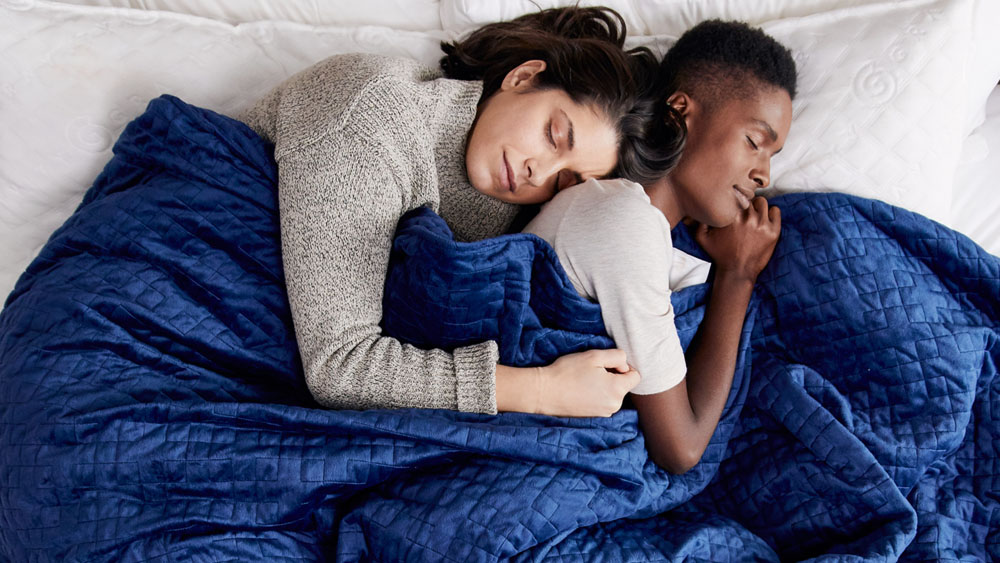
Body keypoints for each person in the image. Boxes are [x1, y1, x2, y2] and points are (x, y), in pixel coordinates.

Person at [239, 7, 665, 417]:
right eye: (554, 135)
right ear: (522, 77)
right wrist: (539, 389)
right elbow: (340, 365)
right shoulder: (371, 115)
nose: (540, 172)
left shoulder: (511, 209)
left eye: (565, 181)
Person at [522, 19, 798, 473]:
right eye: (754, 142)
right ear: (679, 110)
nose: (764, 175)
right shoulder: (625, 223)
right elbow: (681, 450)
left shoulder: (645, 228)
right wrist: (738, 276)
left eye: (772, 157)